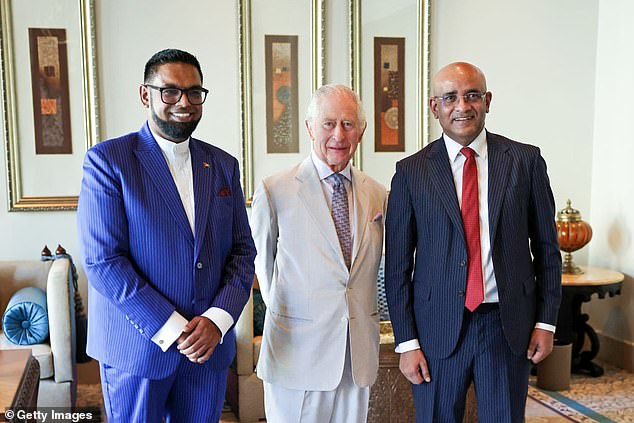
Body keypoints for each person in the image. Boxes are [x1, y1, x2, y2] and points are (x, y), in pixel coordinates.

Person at [77, 49, 256, 422]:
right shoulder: (108, 161)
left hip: (208, 348)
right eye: (170, 91)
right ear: (146, 95)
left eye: (194, 92)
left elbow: (242, 252)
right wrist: (174, 328)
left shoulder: (224, 165)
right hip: (138, 347)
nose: (184, 102)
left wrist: (218, 319)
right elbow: (103, 262)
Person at [384, 62, 562, 422]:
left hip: (506, 326)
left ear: (488, 100)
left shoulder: (525, 161)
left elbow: (547, 249)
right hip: (437, 332)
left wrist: (546, 322)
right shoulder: (410, 172)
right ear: (434, 107)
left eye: (472, 95)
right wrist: (408, 343)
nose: (462, 106)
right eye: (450, 97)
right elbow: (398, 267)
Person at [251, 84, 387, 423]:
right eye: (328, 124)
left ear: (361, 131)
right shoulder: (275, 190)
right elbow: (262, 266)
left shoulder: (379, 194)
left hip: (355, 355)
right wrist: (289, 318)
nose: (338, 134)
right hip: (297, 352)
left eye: (348, 123)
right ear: (310, 128)